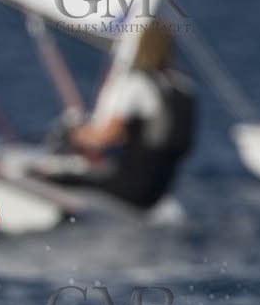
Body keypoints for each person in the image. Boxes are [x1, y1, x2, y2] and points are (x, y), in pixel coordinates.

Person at [41, 19, 195, 209]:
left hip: (128, 189)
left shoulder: (136, 83)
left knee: (46, 178)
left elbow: (104, 137)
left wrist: (73, 133)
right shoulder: (182, 86)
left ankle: (1, 212)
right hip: (156, 193)